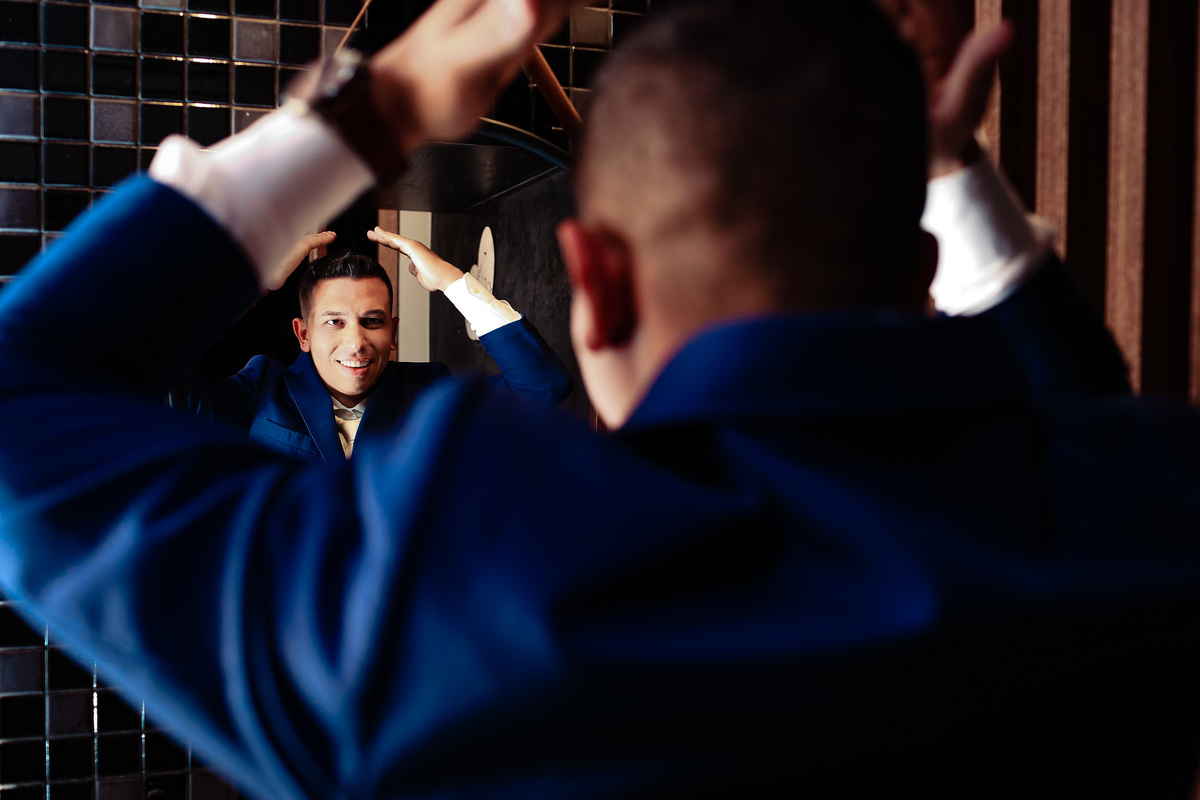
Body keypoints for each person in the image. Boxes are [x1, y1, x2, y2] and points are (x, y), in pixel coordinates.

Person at [1, 1, 1198, 798]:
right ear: (922, 268)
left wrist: (384, 104)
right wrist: (942, 173)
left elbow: (21, 395)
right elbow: (1084, 431)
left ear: (596, 280)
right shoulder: (1145, 512)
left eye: (375, 321)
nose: (360, 343)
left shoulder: (423, 604)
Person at [174, 232, 572, 460]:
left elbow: (542, 388)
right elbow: (157, 384)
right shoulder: (259, 390)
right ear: (303, 334)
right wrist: (250, 282)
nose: (356, 342)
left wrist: (452, 282)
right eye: (335, 322)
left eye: (372, 321)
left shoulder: (429, 392)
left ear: (392, 332)